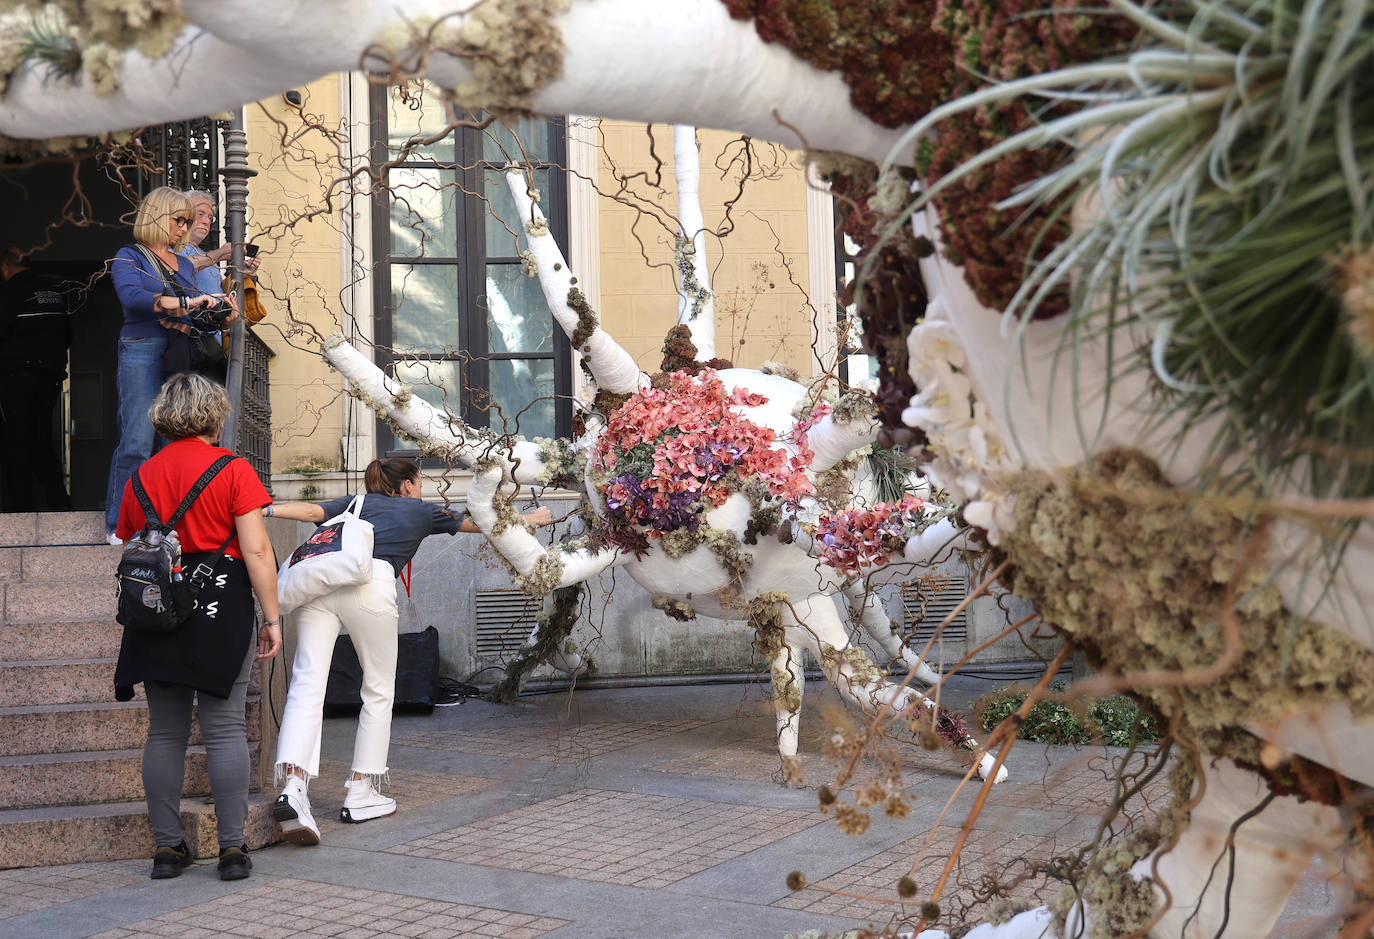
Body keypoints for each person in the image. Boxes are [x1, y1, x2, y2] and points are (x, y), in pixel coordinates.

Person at [267, 458, 552, 845]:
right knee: (379, 689)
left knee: (306, 685)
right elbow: (483, 525)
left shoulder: (356, 503)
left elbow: (311, 511)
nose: (420, 491)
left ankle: (293, 788)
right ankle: (361, 789)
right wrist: (532, 519)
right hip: (371, 583)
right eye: (419, 483)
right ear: (405, 486)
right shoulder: (420, 511)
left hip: (320, 583)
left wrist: (264, 507)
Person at [111, 372, 281, 881]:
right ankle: (232, 850)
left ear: (163, 416)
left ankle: (167, 850)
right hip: (219, 604)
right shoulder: (232, 469)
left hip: (156, 607)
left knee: (164, 732)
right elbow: (256, 550)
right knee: (224, 727)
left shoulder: (139, 477)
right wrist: (272, 617)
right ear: (215, 414)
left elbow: (129, 541)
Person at [103, 186, 239, 545]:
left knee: (175, 441)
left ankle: (167, 522)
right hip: (141, 348)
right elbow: (132, 298)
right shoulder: (130, 256)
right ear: (157, 216)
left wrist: (220, 316)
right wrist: (180, 304)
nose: (184, 228)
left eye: (188, 221)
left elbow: (192, 314)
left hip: (178, 351)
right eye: (179, 220)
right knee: (136, 437)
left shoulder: (181, 263)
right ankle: (119, 524)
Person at [0, 246, 73, 511]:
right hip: (49, 380)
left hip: (16, 379)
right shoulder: (53, 293)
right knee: (42, 440)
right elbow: (67, 337)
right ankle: (59, 504)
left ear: (5, 266)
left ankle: (21, 508)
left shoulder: (8, 293)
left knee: (16, 442)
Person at [178, 190, 262, 382]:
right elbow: (181, 268)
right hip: (189, 344)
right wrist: (219, 253)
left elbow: (221, 295)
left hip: (210, 345)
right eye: (200, 214)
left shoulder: (203, 255)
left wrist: (242, 272)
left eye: (210, 217)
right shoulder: (174, 249)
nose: (207, 221)